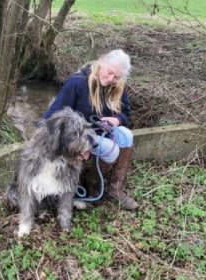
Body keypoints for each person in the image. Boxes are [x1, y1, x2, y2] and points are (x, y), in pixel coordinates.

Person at [43, 49, 139, 210]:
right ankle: (91, 183)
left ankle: (115, 189)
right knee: (111, 150)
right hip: (78, 135)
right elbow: (53, 114)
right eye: (109, 73)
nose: (111, 79)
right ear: (102, 63)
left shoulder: (119, 87)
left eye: (116, 77)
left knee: (127, 135)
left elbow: (126, 114)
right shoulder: (77, 82)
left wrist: (117, 120)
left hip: (102, 131)